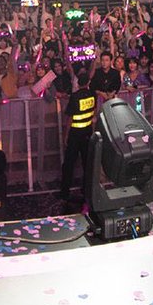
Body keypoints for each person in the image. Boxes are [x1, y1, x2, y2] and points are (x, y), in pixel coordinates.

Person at [59, 73, 96, 208]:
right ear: (88, 83)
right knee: (87, 164)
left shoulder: (74, 97)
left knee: (69, 164)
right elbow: (93, 114)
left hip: (75, 134)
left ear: (78, 83)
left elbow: (70, 118)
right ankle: (86, 191)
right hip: (87, 133)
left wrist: (65, 135)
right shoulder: (92, 95)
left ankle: (64, 193)